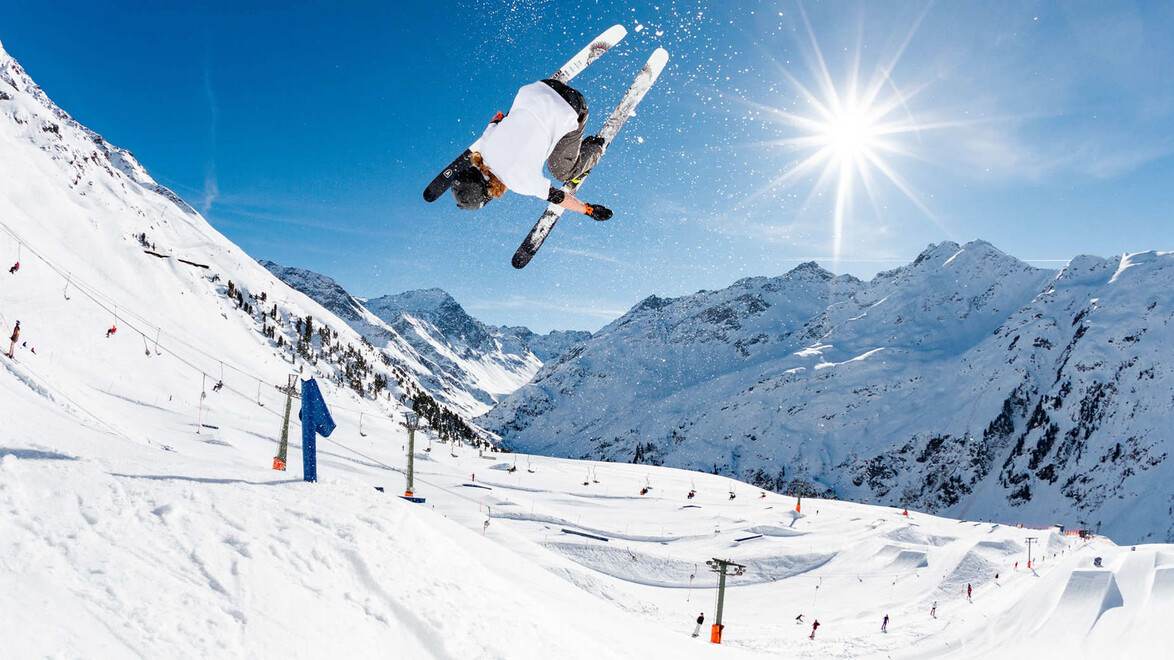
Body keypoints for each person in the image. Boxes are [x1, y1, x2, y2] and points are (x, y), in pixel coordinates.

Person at [451, 79, 612, 221]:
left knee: (561, 172)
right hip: (541, 87)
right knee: (525, 127)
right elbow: (497, 118)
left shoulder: (518, 182)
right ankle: (548, 99)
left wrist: (587, 210)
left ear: (490, 192)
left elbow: (559, 198)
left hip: (572, 106)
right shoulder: (484, 144)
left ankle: (596, 147)